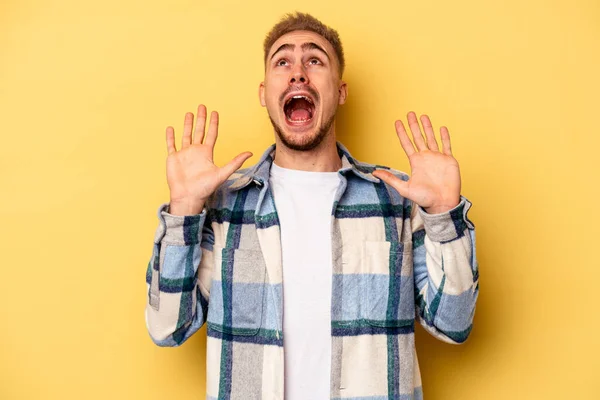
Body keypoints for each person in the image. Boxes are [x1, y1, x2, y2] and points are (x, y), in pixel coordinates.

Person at [145, 11, 479, 400]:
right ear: (264, 92)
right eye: (282, 61)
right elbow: (167, 327)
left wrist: (444, 214)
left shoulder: (398, 200)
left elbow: (453, 324)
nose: (298, 72)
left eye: (315, 60)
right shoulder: (224, 207)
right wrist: (184, 209)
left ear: (339, 92)